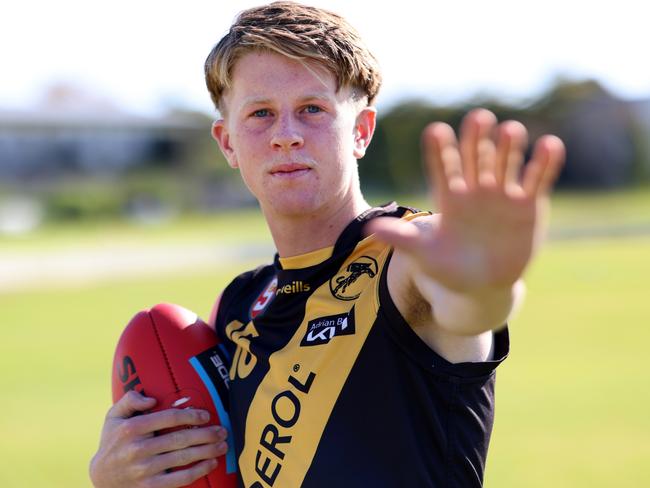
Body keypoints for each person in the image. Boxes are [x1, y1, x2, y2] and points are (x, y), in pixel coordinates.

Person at [89, 2, 565, 487]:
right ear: (227, 142)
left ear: (360, 131)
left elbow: (467, 303)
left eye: (312, 109)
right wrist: (120, 475)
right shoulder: (237, 309)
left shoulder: (407, 258)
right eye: (261, 114)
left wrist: (484, 281)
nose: (286, 136)